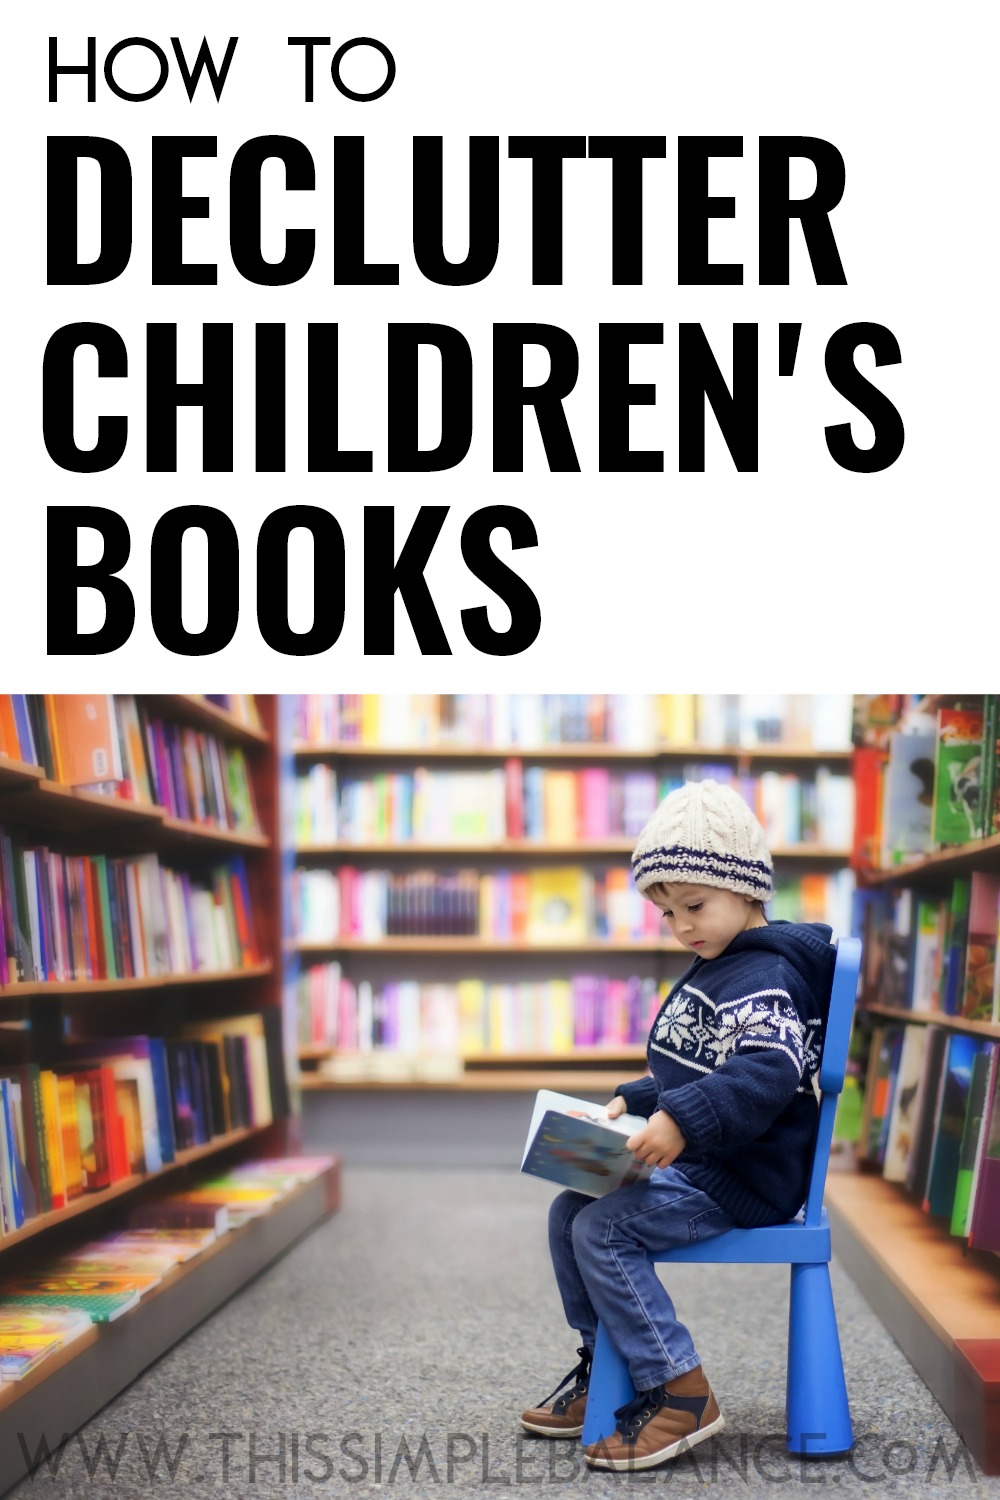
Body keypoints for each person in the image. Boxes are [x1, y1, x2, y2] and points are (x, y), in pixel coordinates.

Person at [520, 778, 837, 1471]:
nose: (682, 924)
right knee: (566, 1209)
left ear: (748, 886)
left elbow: (764, 1073)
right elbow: (696, 1066)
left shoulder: (764, 976)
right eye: (667, 913)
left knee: (602, 1227)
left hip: (742, 1176)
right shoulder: (718, 966)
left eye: (694, 904)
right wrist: (636, 1103)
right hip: (705, 1157)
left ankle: (679, 1389)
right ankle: (610, 1362)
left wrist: (679, 1120)